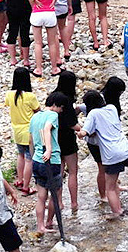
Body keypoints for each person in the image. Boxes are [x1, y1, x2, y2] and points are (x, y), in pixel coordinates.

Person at [78, 88, 128, 218]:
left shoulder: (93, 114)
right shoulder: (112, 108)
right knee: (114, 183)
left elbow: (84, 133)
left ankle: (117, 212)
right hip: (125, 149)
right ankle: (119, 207)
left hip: (112, 154)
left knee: (110, 188)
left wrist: (79, 133)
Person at [30, 92, 67, 235]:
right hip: (51, 162)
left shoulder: (35, 116)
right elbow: (47, 128)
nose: (61, 111)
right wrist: (49, 150)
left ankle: (40, 226)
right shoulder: (53, 115)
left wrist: (34, 156)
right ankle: (49, 222)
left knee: (41, 196)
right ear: (55, 105)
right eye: (61, 107)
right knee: (55, 193)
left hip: (36, 161)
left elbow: (31, 139)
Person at [27, 0, 66, 77]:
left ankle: (39, 69)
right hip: (50, 12)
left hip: (37, 13)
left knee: (38, 43)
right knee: (52, 43)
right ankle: (54, 68)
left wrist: (34, 0)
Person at [6, 66, 39, 195]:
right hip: (28, 131)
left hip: (17, 130)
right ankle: (26, 187)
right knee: (29, 159)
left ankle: (20, 180)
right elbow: (37, 110)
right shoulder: (30, 96)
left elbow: (8, 105)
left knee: (20, 155)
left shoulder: (9, 94)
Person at [55, 70, 82, 212]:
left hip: (54, 139)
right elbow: (73, 124)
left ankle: (59, 202)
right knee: (72, 172)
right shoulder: (68, 100)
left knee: (58, 173)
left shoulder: (53, 97)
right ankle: (74, 203)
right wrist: (83, 129)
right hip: (68, 140)